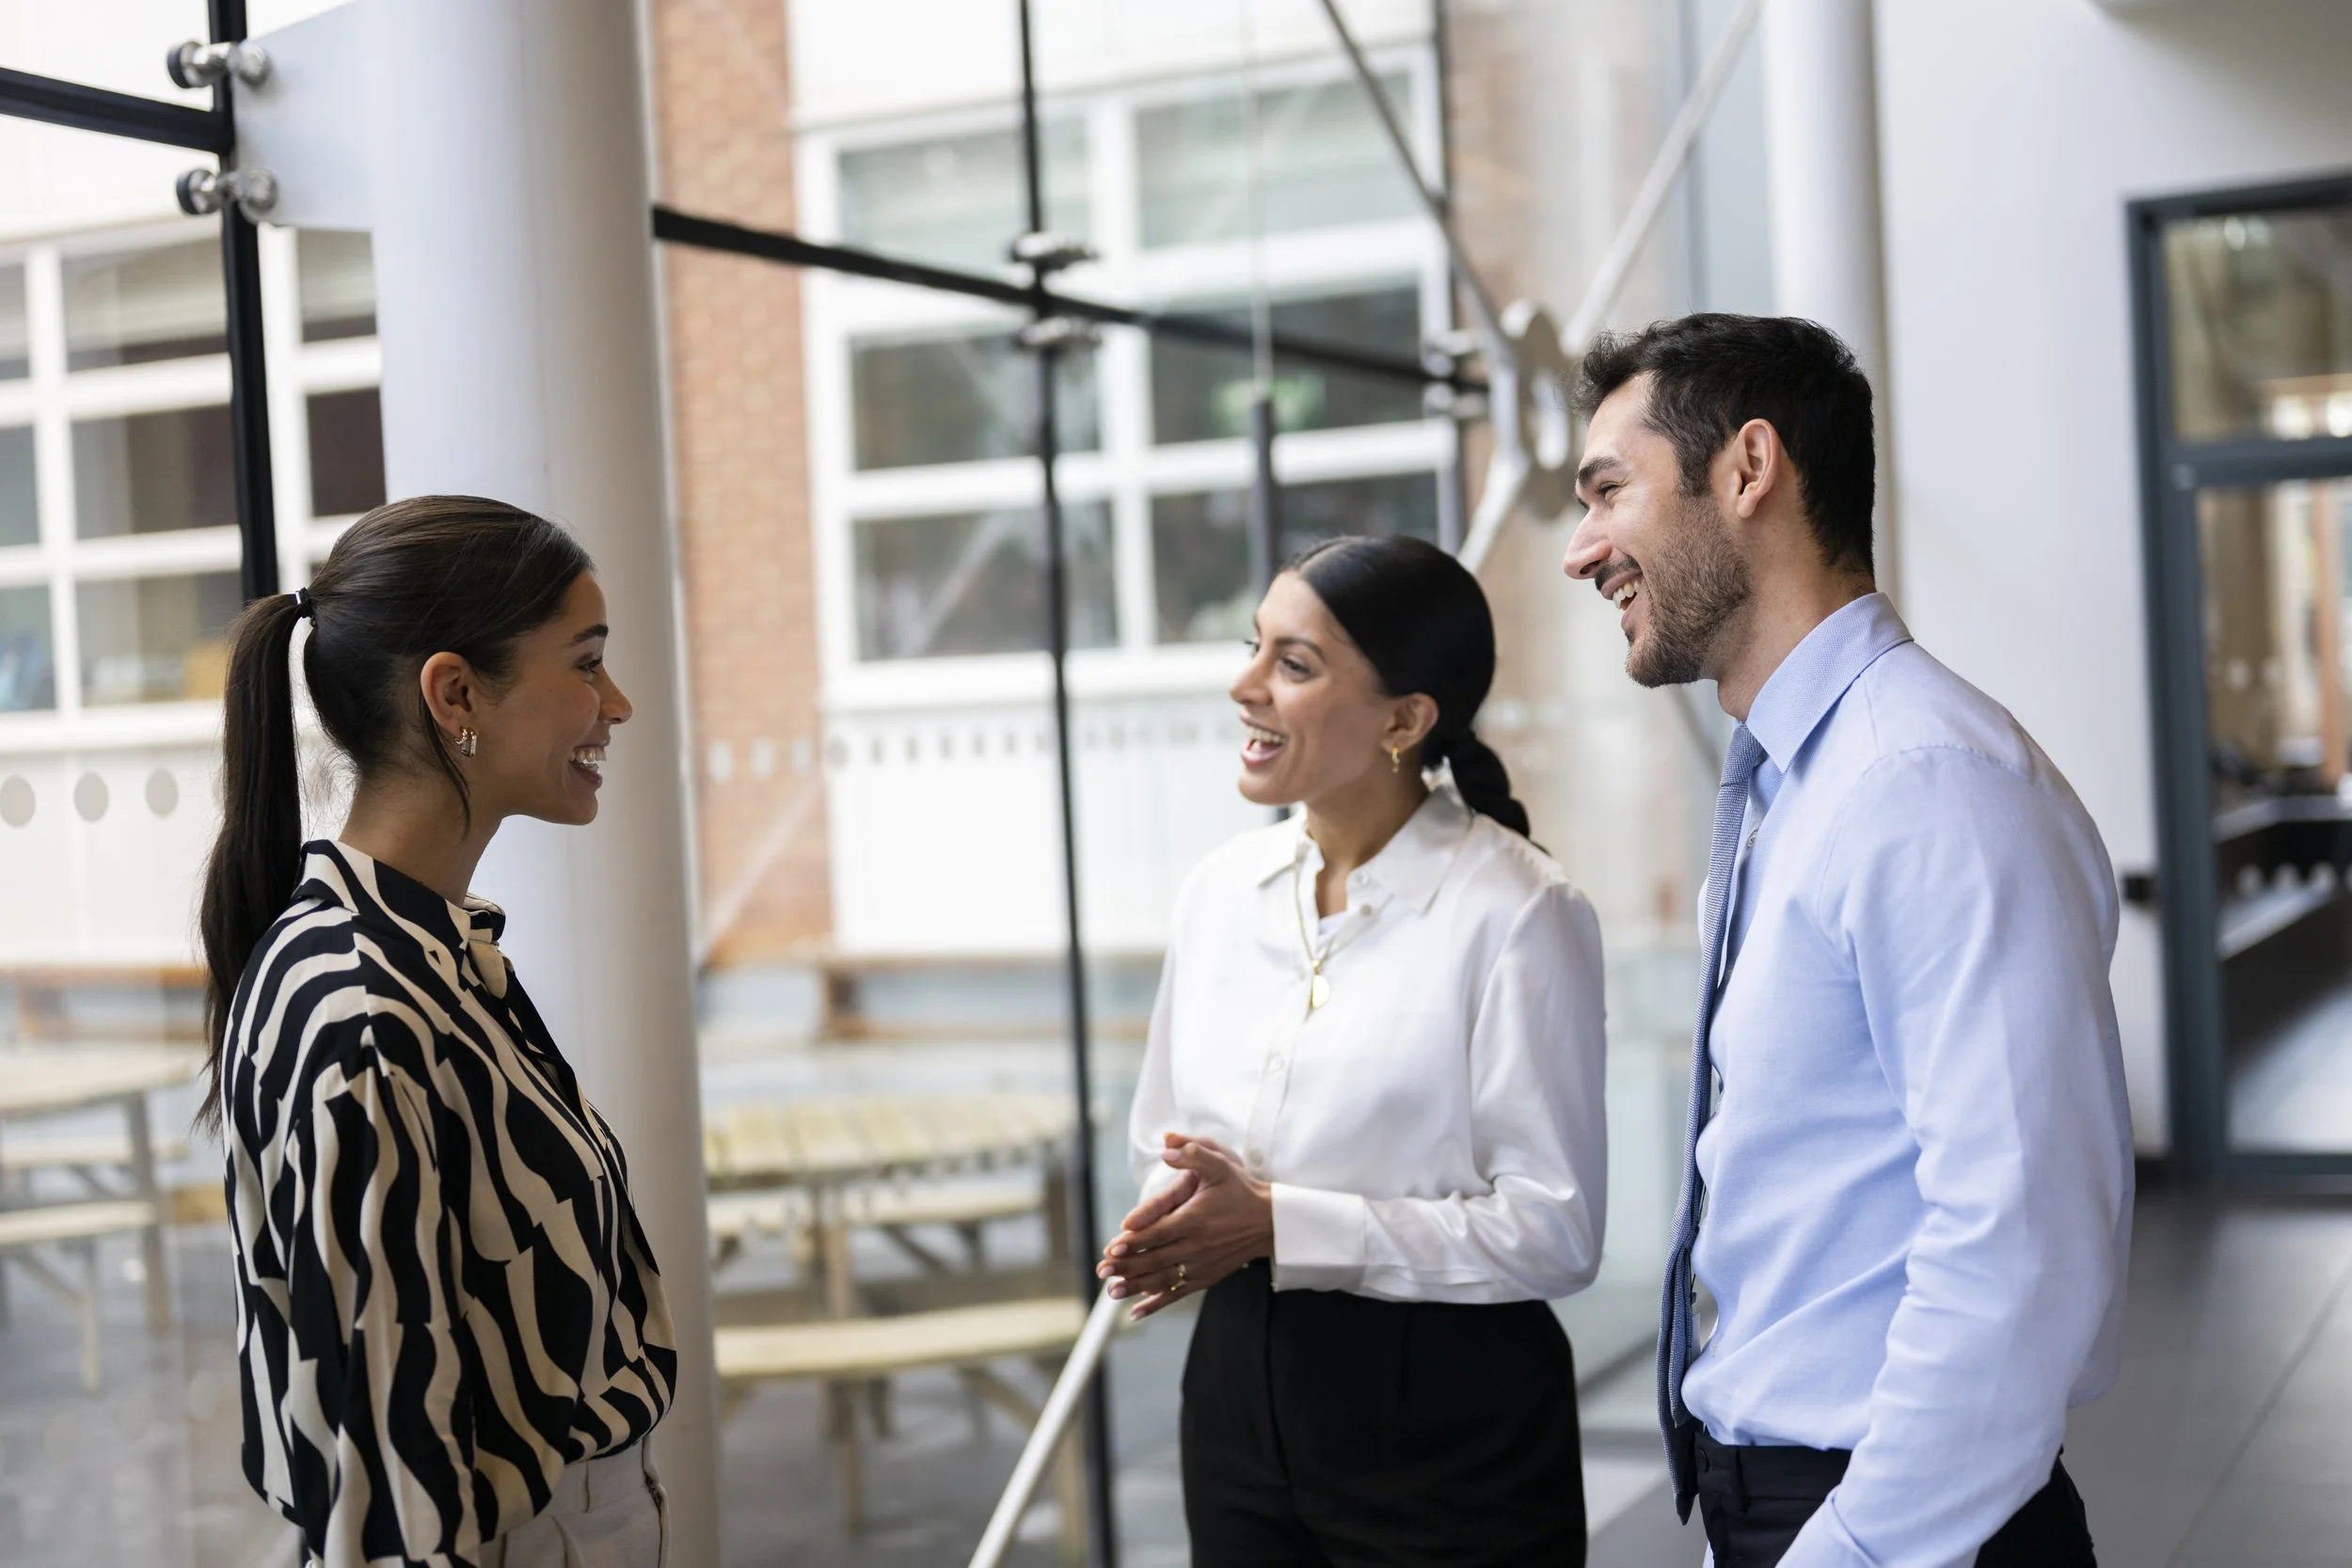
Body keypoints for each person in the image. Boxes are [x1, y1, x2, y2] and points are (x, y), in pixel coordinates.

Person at [1562, 314, 2132, 1567]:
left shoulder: (1922, 781)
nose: (1581, 550)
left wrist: (1856, 1547)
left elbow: (2023, 1245)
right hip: (1799, 1504)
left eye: (1609, 491)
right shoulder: (1793, 787)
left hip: (1909, 1525)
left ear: (1749, 468)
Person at [1102, 534, 1608, 1567]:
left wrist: (1281, 1221)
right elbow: (1156, 1137)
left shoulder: (1519, 912)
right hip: (1237, 1395)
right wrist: (1181, 1210)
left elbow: (1555, 1230)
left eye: (1293, 663)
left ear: (1404, 718)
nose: (1243, 686)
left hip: (1451, 1421)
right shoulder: (1217, 894)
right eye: (1255, 647)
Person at [200, 496, 675, 1568]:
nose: (619, 702)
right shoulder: (365, 1009)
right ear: (455, 692)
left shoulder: (427, 955)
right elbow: (387, 1474)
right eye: (586, 663)